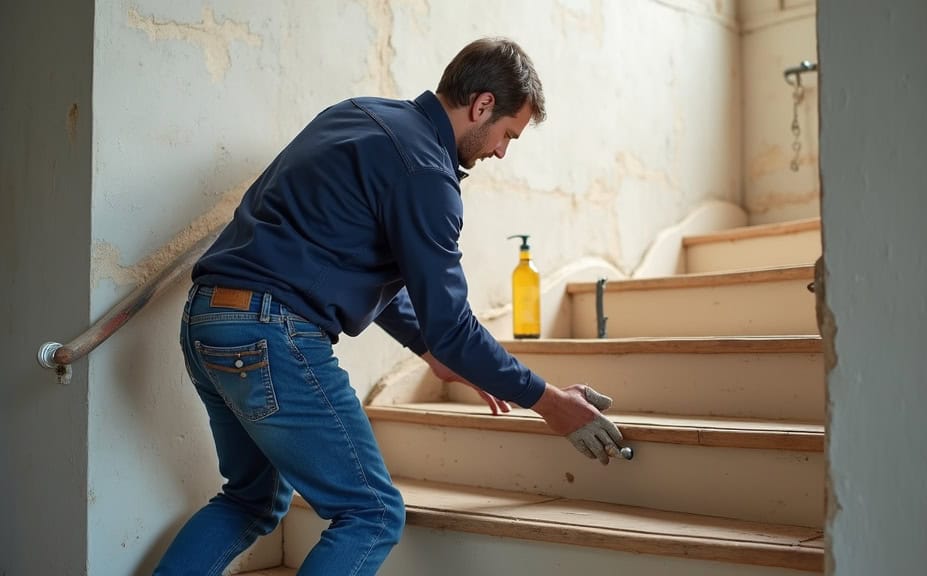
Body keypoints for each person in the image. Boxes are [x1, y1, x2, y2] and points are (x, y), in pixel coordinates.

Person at [154, 37, 625, 575]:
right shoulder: (427, 172)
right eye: (506, 136)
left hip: (207, 320)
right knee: (372, 513)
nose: (500, 152)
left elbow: (344, 253)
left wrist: (427, 348)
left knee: (249, 499)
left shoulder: (358, 114)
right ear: (483, 105)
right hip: (271, 334)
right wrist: (548, 402)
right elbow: (453, 324)